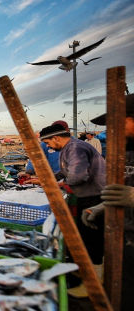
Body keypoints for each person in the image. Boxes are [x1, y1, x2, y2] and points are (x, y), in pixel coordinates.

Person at [81, 93, 134, 311]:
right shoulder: (126, 149)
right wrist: (102, 206)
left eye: (117, 122)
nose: (110, 130)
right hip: (127, 238)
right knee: (125, 308)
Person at [39, 122, 106, 297]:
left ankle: (94, 285)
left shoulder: (75, 148)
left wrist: (59, 185)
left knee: (92, 238)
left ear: (56, 138)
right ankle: (87, 273)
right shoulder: (69, 148)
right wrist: (49, 179)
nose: (48, 146)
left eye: (47, 142)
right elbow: (66, 172)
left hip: (94, 198)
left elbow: (78, 176)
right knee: (87, 236)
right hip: (88, 196)